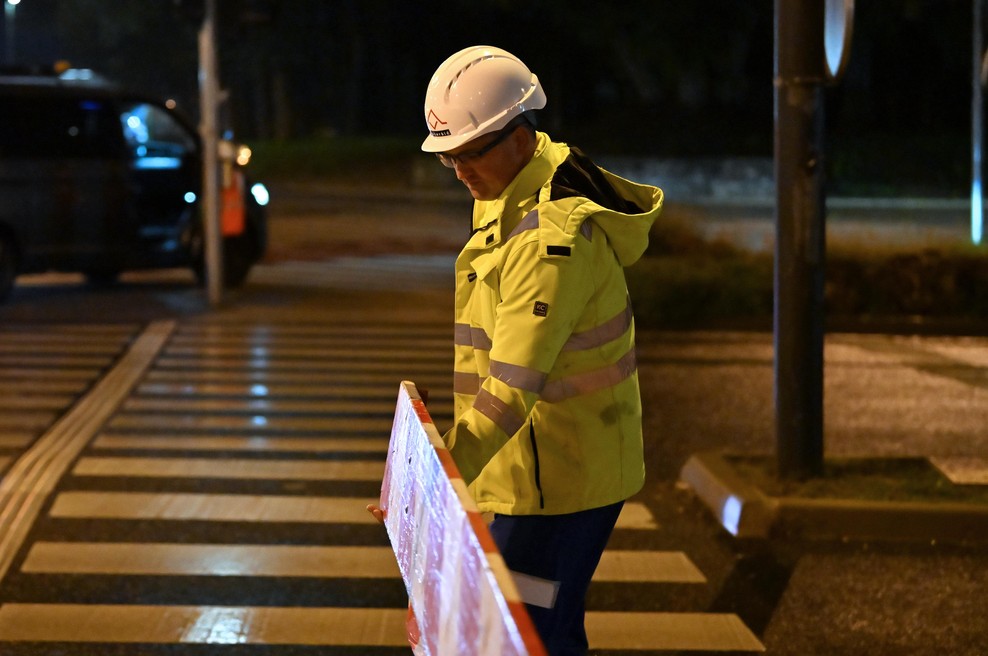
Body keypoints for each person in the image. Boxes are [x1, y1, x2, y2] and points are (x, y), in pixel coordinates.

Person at [371, 45, 663, 655]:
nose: (458, 170)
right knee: (540, 629)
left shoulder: (550, 240)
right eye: (448, 157)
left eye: (469, 153)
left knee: (530, 633)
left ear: (521, 135)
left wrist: (434, 485)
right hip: (536, 470)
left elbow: (511, 382)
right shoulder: (514, 190)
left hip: (561, 480)